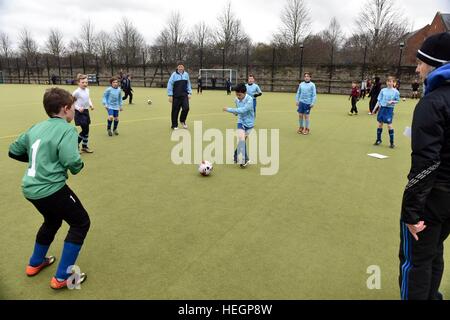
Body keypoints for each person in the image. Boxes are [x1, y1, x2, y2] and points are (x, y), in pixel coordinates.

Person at [8, 87, 90, 289]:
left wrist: (41, 162)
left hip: (30, 189)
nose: (74, 110)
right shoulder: (67, 129)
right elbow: (72, 161)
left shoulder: (36, 127)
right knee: (81, 222)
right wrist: (78, 166)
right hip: (51, 189)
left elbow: (13, 150)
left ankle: (35, 263)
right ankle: (63, 276)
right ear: (65, 109)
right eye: (73, 107)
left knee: (52, 221)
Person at [399, 32, 450, 300]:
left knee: (415, 261)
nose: (417, 68)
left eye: (421, 62)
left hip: (432, 198)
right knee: (434, 252)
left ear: (435, 64)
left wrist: (411, 212)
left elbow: (427, 163)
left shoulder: (432, 102)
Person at [223, 83, 254, 168]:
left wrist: (229, 109)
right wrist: (235, 112)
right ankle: (245, 159)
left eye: (239, 95)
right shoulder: (236, 99)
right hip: (240, 122)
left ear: (245, 93)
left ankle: (235, 155)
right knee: (241, 139)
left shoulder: (250, 100)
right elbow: (238, 111)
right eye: (236, 94)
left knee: (242, 142)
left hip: (249, 123)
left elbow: (243, 110)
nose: (238, 96)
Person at [373, 76, 400, 148]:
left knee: (389, 125)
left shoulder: (396, 92)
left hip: (389, 110)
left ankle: (392, 142)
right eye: (388, 81)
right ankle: (378, 140)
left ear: (393, 83)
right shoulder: (383, 90)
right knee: (379, 124)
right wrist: (374, 109)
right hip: (382, 109)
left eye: (391, 81)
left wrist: (392, 101)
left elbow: (397, 101)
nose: (389, 83)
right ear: (386, 82)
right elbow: (379, 100)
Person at [73, 74, 94, 153]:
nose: (85, 84)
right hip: (79, 113)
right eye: (83, 82)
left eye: (86, 82)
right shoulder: (76, 92)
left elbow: (88, 98)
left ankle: (84, 147)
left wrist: (91, 105)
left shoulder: (87, 90)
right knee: (84, 130)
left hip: (86, 111)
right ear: (78, 83)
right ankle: (75, 145)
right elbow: (71, 102)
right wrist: (78, 108)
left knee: (87, 130)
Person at [167, 63, 192, 130]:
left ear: (183, 68)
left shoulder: (186, 74)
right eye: (179, 67)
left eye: (182, 67)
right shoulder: (174, 75)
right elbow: (170, 84)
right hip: (176, 96)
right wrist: (170, 95)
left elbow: (188, 84)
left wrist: (189, 93)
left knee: (186, 108)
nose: (180, 68)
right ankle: (174, 125)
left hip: (184, 95)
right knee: (175, 111)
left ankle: (182, 120)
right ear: (177, 68)